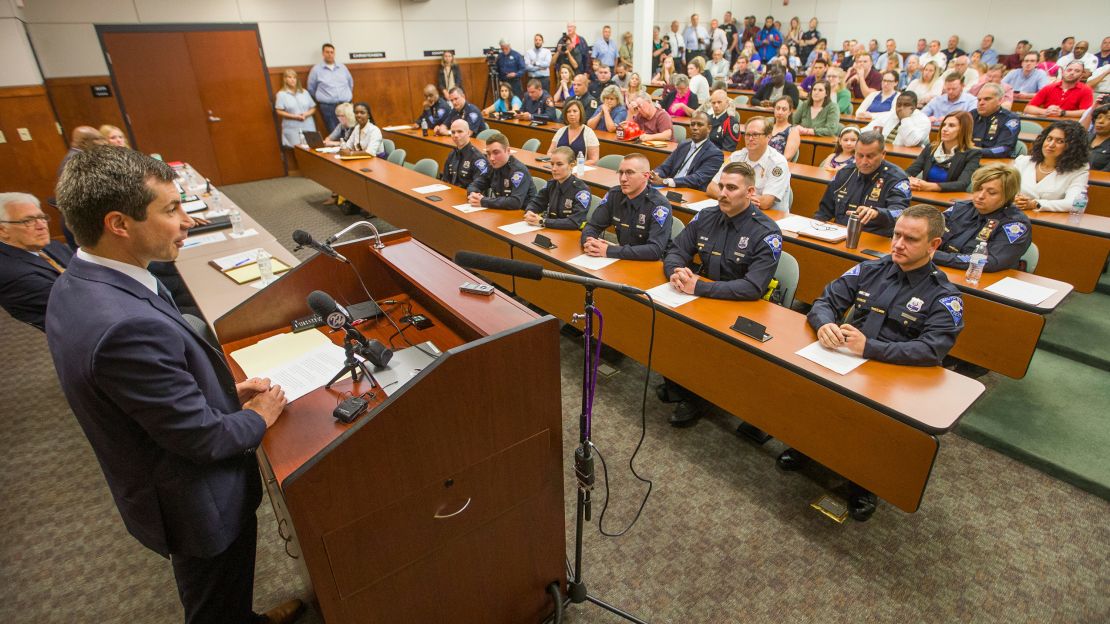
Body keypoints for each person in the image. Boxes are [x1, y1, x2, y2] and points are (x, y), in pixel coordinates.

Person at [47, 145, 301, 624]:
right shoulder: (122, 326)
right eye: (171, 209)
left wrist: (223, 393)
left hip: (161, 469)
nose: (188, 221)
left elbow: (148, 388)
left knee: (226, 595)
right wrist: (258, 414)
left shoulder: (83, 279)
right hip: (193, 502)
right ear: (118, 224)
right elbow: (203, 440)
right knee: (213, 601)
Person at [797, 205, 964, 520]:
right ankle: (809, 449)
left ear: (934, 245)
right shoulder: (870, 268)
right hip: (850, 358)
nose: (898, 244)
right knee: (811, 391)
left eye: (911, 239)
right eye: (897, 235)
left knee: (870, 426)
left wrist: (870, 348)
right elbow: (825, 301)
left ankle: (864, 483)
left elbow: (932, 350)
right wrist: (824, 324)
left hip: (895, 374)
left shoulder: (944, 296)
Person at [660, 161, 783, 425]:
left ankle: (696, 397)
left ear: (750, 193)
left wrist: (699, 286)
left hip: (738, 304)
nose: (723, 193)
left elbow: (753, 287)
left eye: (731, 188)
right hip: (701, 294)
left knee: (699, 340)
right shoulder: (706, 216)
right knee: (664, 321)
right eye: (721, 186)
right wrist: (675, 271)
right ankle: (680, 384)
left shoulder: (766, 232)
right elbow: (676, 251)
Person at [933, 163, 1032, 272]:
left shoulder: (1015, 225)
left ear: (1007, 195)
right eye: (979, 189)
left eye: (991, 192)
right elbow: (927, 234)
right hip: (943, 269)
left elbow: (990, 262)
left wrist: (935, 256)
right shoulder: (960, 208)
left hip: (981, 279)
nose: (980, 196)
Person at [813, 130, 912, 235]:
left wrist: (877, 213)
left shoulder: (896, 178)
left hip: (874, 238)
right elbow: (824, 211)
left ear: (883, 154)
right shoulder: (844, 174)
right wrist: (814, 227)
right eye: (860, 155)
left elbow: (900, 212)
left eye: (870, 156)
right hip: (839, 234)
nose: (864, 162)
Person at [0, 193, 73, 329]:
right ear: (2, 230)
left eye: (42, 217)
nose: (41, 226)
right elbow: (77, 301)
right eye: (28, 221)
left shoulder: (47, 244)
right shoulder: (11, 273)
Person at [580, 153, 672, 259]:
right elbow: (593, 226)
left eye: (630, 173)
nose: (623, 178)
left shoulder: (659, 206)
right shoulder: (614, 195)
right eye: (621, 173)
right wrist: (589, 242)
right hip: (622, 257)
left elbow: (655, 250)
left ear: (645, 176)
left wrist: (609, 250)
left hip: (649, 265)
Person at [707, 117, 791, 210]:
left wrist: (730, 196)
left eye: (755, 134)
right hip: (738, 211)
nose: (750, 138)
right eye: (747, 134)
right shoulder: (736, 157)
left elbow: (765, 202)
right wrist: (737, 198)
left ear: (768, 136)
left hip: (769, 217)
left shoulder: (778, 163)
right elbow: (711, 188)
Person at [1012, 121, 1091, 212]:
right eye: (1049, 139)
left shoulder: (1078, 170)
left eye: (1060, 141)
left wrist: (1035, 204)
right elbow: (1003, 190)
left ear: (1073, 147)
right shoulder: (1023, 162)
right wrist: (1015, 199)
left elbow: (1075, 203)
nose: (1051, 145)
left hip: (1049, 219)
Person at [906, 111, 982, 192]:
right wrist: (909, 180)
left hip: (948, 199)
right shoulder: (931, 148)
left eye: (951, 126)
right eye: (944, 125)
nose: (944, 129)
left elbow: (962, 184)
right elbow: (909, 172)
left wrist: (929, 186)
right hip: (925, 194)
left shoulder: (972, 153)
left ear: (963, 130)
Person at [649, 112, 724, 191]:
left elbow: (697, 179)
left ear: (709, 128)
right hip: (670, 188)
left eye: (700, 125)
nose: (695, 128)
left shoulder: (715, 154)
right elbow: (665, 167)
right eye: (692, 124)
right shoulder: (683, 144)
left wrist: (665, 181)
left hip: (690, 192)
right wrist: (655, 175)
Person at [523, 146, 591, 230]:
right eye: (552, 164)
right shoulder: (551, 184)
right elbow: (536, 203)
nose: (554, 169)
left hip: (570, 234)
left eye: (559, 164)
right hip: (551, 229)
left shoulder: (581, 191)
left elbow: (574, 222)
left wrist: (543, 221)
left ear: (572, 165)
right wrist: (530, 211)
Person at [466, 132, 535, 210]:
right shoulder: (491, 167)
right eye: (488, 153)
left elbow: (515, 202)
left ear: (508, 151)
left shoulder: (518, 171)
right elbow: (475, 184)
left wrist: (484, 201)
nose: (491, 158)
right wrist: (473, 194)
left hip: (523, 214)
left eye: (496, 153)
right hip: (503, 210)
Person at [306, 43, 353, 132]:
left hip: (345, 105)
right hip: (329, 107)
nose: (330, 54)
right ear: (323, 53)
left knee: (349, 129)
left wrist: (346, 96)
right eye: (327, 52)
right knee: (335, 131)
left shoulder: (342, 67)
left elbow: (350, 84)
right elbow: (311, 89)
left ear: (334, 53)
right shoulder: (316, 70)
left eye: (332, 52)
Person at [1025, 61, 1095, 118]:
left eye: (1077, 71)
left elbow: (1086, 112)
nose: (1072, 73)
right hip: (1047, 122)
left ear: (1081, 75)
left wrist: (1062, 113)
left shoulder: (1086, 90)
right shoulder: (1049, 87)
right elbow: (1028, 108)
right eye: (1069, 70)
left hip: (1071, 125)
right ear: (1063, 72)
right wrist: (1046, 111)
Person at [862, 91, 931, 147]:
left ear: (914, 107)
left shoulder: (923, 120)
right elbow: (866, 130)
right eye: (899, 105)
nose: (901, 108)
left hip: (906, 158)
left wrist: (905, 119)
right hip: (884, 153)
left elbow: (911, 142)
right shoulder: (891, 115)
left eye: (906, 105)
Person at [971, 83, 1021, 158]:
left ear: (1000, 100)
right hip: (970, 158)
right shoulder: (971, 115)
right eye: (979, 100)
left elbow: (1004, 148)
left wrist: (976, 152)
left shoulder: (1010, 119)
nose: (981, 103)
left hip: (995, 163)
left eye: (987, 99)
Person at [440, 119, 489, 188]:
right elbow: (445, 179)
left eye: (460, 131)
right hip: (451, 193)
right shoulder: (452, 155)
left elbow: (479, 186)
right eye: (453, 132)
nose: (456, 135)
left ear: (468, 133)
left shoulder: (478, 159)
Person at [274, 69, 316, 148]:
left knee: (313, 147)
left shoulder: (304, 92)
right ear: (285, 79)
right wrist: (295, 116)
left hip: (308, 124)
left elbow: (313, 108)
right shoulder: (281, 94)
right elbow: (279, 111)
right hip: (292, 126)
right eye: (289, 77)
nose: (292, 80)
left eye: (294, 77)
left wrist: (306, 114)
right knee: (298, 149)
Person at [548, 100, 600, 164]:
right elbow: (550, 153)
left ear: (581, 113)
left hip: (579, 170)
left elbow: (594, 160)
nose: (571, 114)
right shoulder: (561, 131)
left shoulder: (589, 133)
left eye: (575, 111)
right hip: (560, 168)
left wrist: (576, 165)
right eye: (568, 111)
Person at [767, 97, 801, 162]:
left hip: (777, 167)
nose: (780, 112)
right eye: (778, 108)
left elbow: (786, 158)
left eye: (784, 109)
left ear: (790, 112)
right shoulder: (767, 127)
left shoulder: (793, 131)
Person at [1088, 104, 1110, 171]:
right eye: (1099, 117)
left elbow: (1106, 173)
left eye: (1108, 118)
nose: (1100, 121)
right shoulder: (1084, 138)